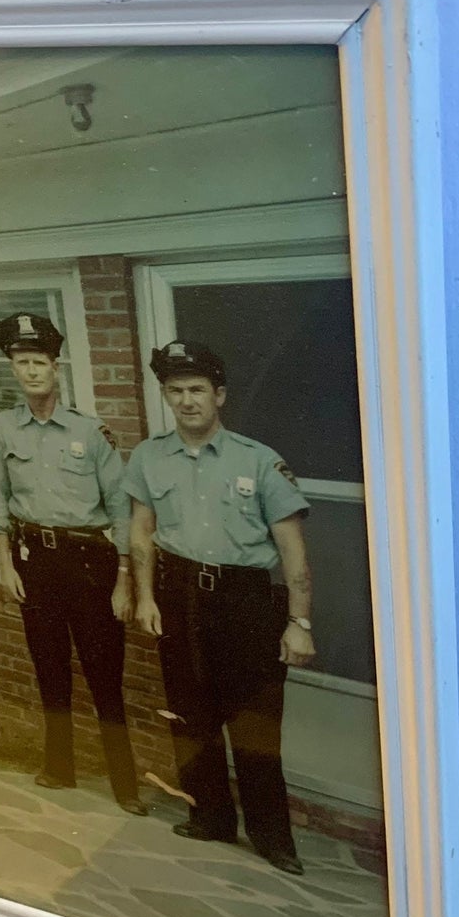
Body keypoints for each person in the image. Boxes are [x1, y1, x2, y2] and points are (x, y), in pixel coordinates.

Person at [125, 339, 317, 875]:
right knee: (190, 714)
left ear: (220, 395)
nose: (187, 401)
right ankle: (210, 817)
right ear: (166, 395)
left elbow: (293, 552)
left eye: (197, 390)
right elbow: (141, 533)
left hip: (245, 600)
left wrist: (299, 622)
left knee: (254, 723)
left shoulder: (258, 461)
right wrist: (145, 596)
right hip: (177, 593)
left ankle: (272, 836)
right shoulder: (147, 457)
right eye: (175, 390)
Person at [0, 310, 146, 815]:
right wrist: (5, 566)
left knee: (104, 673)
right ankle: (60, 767)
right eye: (20, 361)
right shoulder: (2, 427)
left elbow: (119, 507)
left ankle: (125, 784)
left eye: (39, 361)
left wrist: (123, 579)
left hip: (89, 563)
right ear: (12, 367)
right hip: (35, 561)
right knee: (48, 667)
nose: (30, 371)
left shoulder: (90, 431)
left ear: (57, 367)